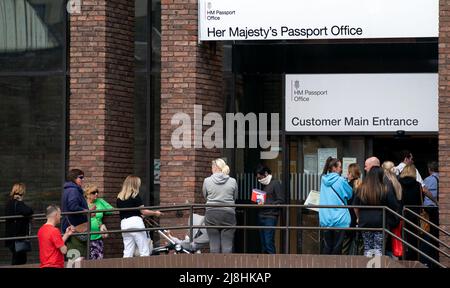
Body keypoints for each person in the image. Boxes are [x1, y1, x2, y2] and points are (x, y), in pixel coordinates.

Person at [353, 167, 399, 257]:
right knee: (378, 249)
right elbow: (394, 206)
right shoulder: (385, 189)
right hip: (380, 223)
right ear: (380, 176)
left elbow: (355, 206)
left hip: (365, 222)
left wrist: (359, 217)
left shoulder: (361, 188)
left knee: (367, 248)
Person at [117, 175, 162, 257]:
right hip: (135, 223)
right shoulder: (135, 195)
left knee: (127, 251)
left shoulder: (119, 197)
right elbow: (143, 211)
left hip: (124, 224)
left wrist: (139, 214)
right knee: (144, 250)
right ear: (135, 184)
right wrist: (155, 213)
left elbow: (128, 210)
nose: (139, 185)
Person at [202, 158, 238, 253]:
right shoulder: (233, 181)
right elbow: (235, 197)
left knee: (214, 245)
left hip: (211, 214)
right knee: (227, 245)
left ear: (215, 168)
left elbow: (205, 196)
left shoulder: (207, 181)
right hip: (228, 214)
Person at [319, 157, 353, 255]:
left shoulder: (323, 180)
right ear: (334, 168)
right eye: (340, 167)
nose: (341, 169)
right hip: (340, 218)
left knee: (327, 246)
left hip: (326, 218)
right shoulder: (341, 180)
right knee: (337, 247)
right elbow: (350, 194)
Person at [255, 165, 285, 254]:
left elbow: (281, 200)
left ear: (266, 173)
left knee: (268, 241)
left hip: (270, 216)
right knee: (263, 243)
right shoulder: (261, 184)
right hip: (261, 215)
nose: (259, 179)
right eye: (258, 178)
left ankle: (273, 262)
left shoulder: (275, 183)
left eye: (260, 177)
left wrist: (267, 204)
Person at [61, 169, 89, 260]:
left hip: (72, 228)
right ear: (74, 179)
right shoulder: (73, 190)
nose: (82, 180)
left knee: (73, 257)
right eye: (81, 177)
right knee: (77, 257)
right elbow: (73, 206)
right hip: (75, 228)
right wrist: (86, 211)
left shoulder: (69, 190)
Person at [4, 183, 34, 265]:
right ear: (21, 192)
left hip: (11, 237)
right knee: (20, 260)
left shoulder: (9, 203)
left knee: (17, 259)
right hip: (18, 238)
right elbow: (29, 211)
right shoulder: (17, 203)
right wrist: (20, 202)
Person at [399, 164, 423, 261]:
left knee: (402, 236)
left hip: (402, 213)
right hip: (414, 214)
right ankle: (413, 259)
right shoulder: (417, 185)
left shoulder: (399, 183)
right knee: (413, 237)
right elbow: (420, 200)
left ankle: (402, 257)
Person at [84, 184, 114, 260]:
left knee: (98, 259)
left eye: (97, 192)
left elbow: (111, 210)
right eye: (94, 192)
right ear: (88, 195)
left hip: (98, 237)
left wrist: (103, 207)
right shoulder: (83, 203)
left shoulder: (99, 201)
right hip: (85, 237)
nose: (96, 194)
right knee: (85, 260)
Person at [419, 161, 439, 267]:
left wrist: (435, 201)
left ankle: (427, 259)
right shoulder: (442, 179)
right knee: (436, 233)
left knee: (427, 233)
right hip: (437, 210)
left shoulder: (428, 179)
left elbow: (424, 191)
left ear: (429, 169)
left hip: (428, 209)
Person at [342, 163, 363, 255]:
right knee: (360, 244)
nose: (347, 174)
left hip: (348, 217)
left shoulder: (347, 185)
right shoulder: (362, 185)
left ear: (351, 173)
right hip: (359, 218)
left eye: (348, 172)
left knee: (345, 245)